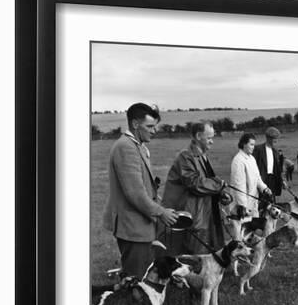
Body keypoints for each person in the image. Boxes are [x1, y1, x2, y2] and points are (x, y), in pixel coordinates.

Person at [102, 103, 178, 278]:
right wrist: (161, 213)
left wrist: (161, 205)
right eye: (149, 126)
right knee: (137, 276)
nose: (154, 131)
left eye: (155, 126)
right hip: (132, 224)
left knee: (143, 270)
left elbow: (144, 186)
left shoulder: (138, 146)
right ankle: (131, 301)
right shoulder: (126, 147)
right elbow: (135, 193)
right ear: (135, 124)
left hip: (139, 222)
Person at [161, 121, 226, 254]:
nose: (212, 142)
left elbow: (207, 183)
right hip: (192, 218)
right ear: (198, 136)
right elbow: (194, 183)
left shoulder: (202, 156)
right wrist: (218, 184)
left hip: (204, 215)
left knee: (204, 256)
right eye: (209, 138)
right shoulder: (186, 157)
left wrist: (222, 194)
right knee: (192, 259)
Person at [229, 133, 272, 225]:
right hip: (242, 206)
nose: (253, 147)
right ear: (244, 144)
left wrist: (264, 188)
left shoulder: (252, 158)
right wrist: (243, 206)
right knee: (242, 234)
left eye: (254, 145)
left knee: (254, 234)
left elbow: (257, 178)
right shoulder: (238, 160)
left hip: (253, 202)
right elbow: (239, 186)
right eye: (251, 144)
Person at [253, 126, 283, 198]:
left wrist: (282, 181)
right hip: (262, 179)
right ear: (268, 138)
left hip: (272, 180)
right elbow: (253, 166)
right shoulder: (258, 149)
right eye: (274, 139)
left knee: (272, 202)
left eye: (277, 138)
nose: (276, 141)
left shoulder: (276, 152)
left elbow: (277, 170)